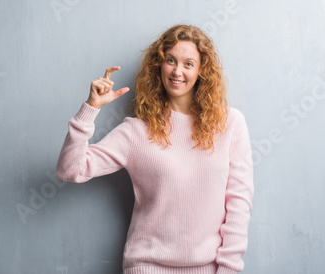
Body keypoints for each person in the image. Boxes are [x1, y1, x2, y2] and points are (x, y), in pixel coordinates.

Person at [56, 24, 254, 274]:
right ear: (159, 65)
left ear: (202, 70)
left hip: (210, 268)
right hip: (148, 267)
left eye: (188, 63)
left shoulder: (231, 124)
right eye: (171, 60)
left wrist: (228, 269)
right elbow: (70, 170)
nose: (177, 71)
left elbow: (239, 202)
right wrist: (90, 108)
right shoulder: (135, 132)